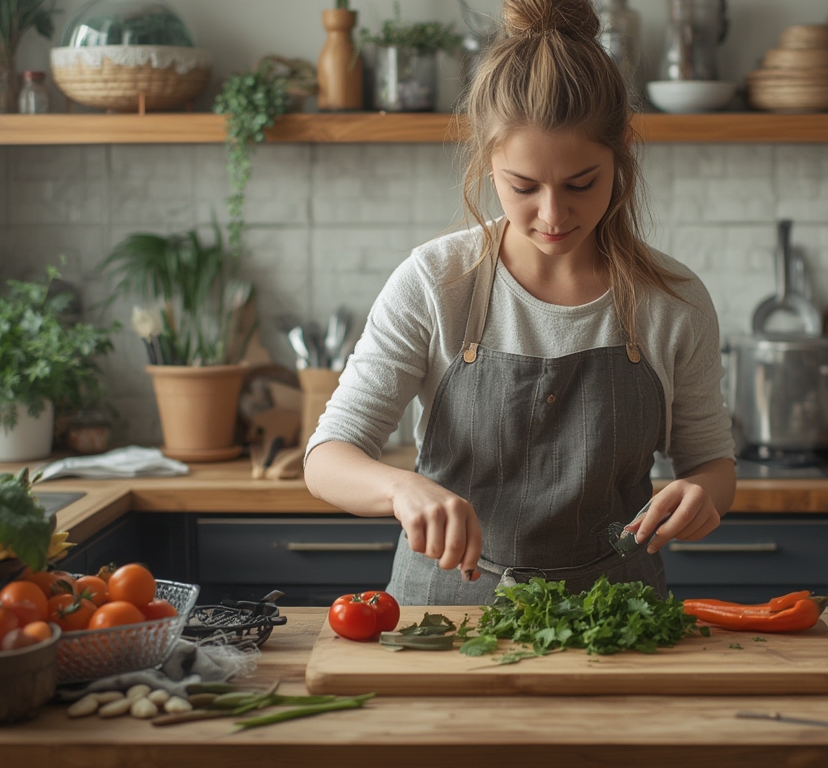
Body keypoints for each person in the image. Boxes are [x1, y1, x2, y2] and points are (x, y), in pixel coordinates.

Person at [304, 0, 735, 605]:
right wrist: (402, 490)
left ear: (621, 158)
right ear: (487, 163)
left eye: (581, 183)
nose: (553, 215)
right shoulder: (436, 281)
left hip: (617, 622)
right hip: (446, 623)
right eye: (523, 187)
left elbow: (712, 463)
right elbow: (327, 459)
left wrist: (703, 495)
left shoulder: (674, 301)